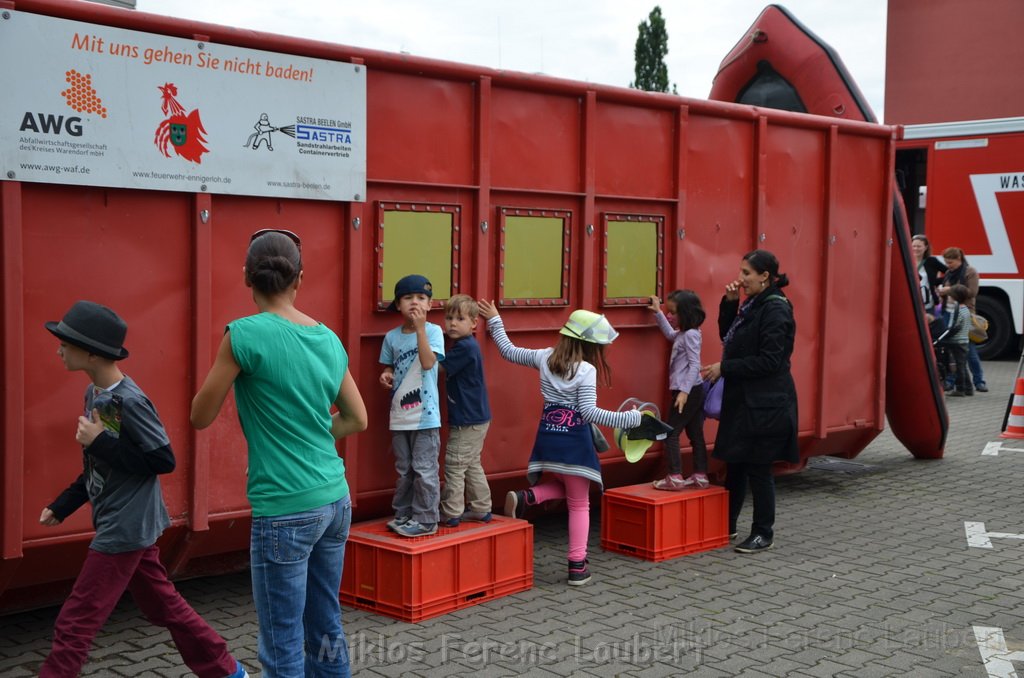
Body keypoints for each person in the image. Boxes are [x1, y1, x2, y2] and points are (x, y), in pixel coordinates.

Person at [191, 229, 368, 677]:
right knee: (325, 625)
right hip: (334, 499)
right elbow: (357, 418)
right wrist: (312, 429)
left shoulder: (243, 337)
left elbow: (200, 415)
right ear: (299, 279)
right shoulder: (328, 339)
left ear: (247, 278)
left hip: (284, 509)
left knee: (282, 639)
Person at [40, 300, 248, 678]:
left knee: (76, 621)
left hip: (126, 527)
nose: (59, 349)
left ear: (90, 353)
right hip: (121, 520)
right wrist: (64, 504)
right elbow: (106, 466)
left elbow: (162, 460)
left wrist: (99, 441)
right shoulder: (98, 396)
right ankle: (227, 671)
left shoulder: (130, 401)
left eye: (65, 344)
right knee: (162, 607)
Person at [479, 302, 642, 586]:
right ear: (590, 345)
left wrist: (495, 320)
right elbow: (589, 413)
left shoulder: (545, 357)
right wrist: (629, 419)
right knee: (579, 503)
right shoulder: (586, 370)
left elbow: (508, 351)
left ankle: (529, 497)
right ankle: (577, 566)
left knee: (568, 485)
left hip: (548, 439)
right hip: (574, 443)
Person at [700, 249, 798, 554]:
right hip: (744, 400)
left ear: (765, 276)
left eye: (746, 274)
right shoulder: (752, 304)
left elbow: (770, 361)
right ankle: (727, 524)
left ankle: (762, 532)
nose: (740, 280)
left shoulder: (776, 309)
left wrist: (724, 368)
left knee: (758, 467)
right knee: (736, 463)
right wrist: (728, 306)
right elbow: (728, 338)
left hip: (766, 403)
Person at [379, 274, 446, 538]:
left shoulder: (433, 331)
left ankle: (427, 519)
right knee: (404, 468)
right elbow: (389, 366)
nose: (415, 303)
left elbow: (429, 363)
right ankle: (404, 513)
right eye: (408, 298)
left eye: (421, 298)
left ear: (430, 305)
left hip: (425, 417)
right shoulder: (391, 337)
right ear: (398, 305)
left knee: (424, 468)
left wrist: (420, 329)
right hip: (399, 415)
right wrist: (386, 374)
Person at [439, 294, 493, 527]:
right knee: (471, 463)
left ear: (474, 323)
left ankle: (451, 512)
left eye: (459, 318)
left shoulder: (464, 348)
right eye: (449, 317)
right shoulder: (467, 345)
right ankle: (482, 508)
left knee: (455, 464)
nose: (452, 323)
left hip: (467, 418)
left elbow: (438, 368)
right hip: (477, 416)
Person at [647, 290, 709, 490]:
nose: (669, 316)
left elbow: (694, 365)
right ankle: (700, 475)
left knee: (670, 433)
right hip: (693, 390)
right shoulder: (686, 333)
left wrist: (683, 392)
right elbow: (669, 334)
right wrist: (657, 312)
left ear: (686, 312)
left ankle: (674, 476)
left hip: (687, 393)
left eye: (672, 312)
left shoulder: (690, 335)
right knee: (695, 433)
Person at [937, 247, 987, 392]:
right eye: (946, 263)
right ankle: (952, 381)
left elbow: (972, 292)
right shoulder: (948, 273)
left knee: (968, 349)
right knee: (950, 350)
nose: (948, 266)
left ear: (959, 259)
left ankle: (979, 381)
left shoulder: (969, 272)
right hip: (948, 312)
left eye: (950, 263)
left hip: (964, 312)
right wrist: (941, 292)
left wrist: (950, 290)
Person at [941, 284, 973, 397]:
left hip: (957, 341)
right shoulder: (966, 309)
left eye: (950, 296)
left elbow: (953, 326)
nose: (948, 298)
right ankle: (969, 388)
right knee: (962, 365)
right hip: (964, 340)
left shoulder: (957, 310)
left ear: (954, 297)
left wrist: (944, 335)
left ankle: (960, 389)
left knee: (959, 367)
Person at [911, 234, 946, 321]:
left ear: (926, 247)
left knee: (929, 327)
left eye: (919, 246)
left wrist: (936, 282)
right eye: (914, 246)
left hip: (927, 301)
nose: (916, 249)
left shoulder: (932, 261)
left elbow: (949, 273)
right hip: (910, 300)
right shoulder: (908, 260)